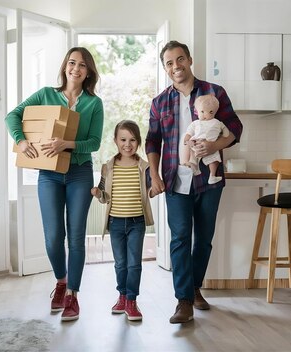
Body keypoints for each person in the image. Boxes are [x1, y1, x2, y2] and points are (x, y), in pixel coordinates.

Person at [145, 40, 243, 324]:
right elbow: (152, 140)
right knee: (179, 239)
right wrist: (154, 175)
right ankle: (183, 300)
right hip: (175, 179)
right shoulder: (159, 102)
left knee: (204, 240)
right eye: (169, 63)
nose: (176, 66)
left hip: (210, 181)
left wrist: (216, 147)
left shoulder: (215, 92)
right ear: (165, 68)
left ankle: (195, 288)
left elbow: (235, 128)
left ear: (189, 59)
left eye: (180, 59)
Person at [5, 47, 103, 322]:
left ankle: (73, 294)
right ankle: (61, 281)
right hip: (48, 174)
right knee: (52, 237)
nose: (76, 68)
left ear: (88, 71)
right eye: (71, 63)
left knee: (76, 237)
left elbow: (94, 143)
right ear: (64, 67)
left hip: (80, 173)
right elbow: (12, 115)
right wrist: (21, 140)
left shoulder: (94, 103)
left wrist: (66, 144)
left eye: (82, 65)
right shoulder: (46, 94)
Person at [91, 120, 154, 322]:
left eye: (132, 140)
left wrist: (157, 189)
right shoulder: (107, 167)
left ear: (139, 142)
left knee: (134, 264)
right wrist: (97, 193)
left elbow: (150, 190)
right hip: (116, 223)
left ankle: (132, 300)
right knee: (120, 264)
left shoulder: (144, 167)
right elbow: (104, 196)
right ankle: (122, 296)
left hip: (137, 222)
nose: (128, 144)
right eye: (123, 139)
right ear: (115, 141)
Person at [183, 94, 229, 184]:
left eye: (210, 112)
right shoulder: (195, 123)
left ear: (214, 112)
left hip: (211, 147)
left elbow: (225, 131)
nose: (205, 115)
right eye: (202, 111)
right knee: (193, 153)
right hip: (196, 143)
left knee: (214, 161)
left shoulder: (217, 122)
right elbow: (188, 133)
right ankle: (194, 165)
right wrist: (187, 141)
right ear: (197, 112)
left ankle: (212, 176)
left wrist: (224, 136)